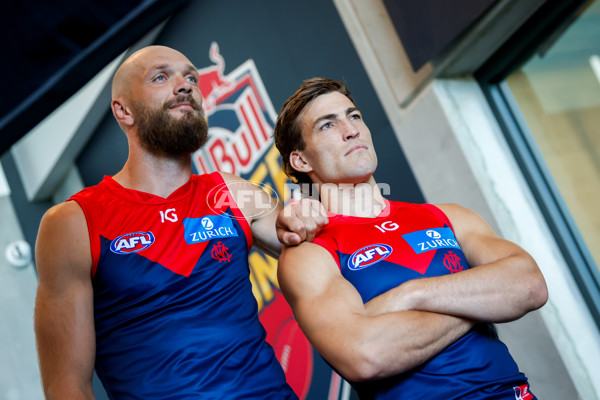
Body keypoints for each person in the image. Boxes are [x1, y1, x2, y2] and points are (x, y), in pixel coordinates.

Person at [33, 46, 327, 400]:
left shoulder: (232, 192)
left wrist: (306, 220)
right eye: (161, 77)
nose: (185, 85)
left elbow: (324, 256)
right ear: (123, 110)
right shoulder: (73, 222)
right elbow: (66, 385)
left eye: (191, 77)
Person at [273, 77, 548, 399]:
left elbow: (529, 285)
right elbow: (364, 355)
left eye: (354, 116)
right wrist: (480, 298)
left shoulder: (446, 216)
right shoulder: (310, 254)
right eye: (327, 125)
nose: (351, 129)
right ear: (301, 160)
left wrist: (411, 294)